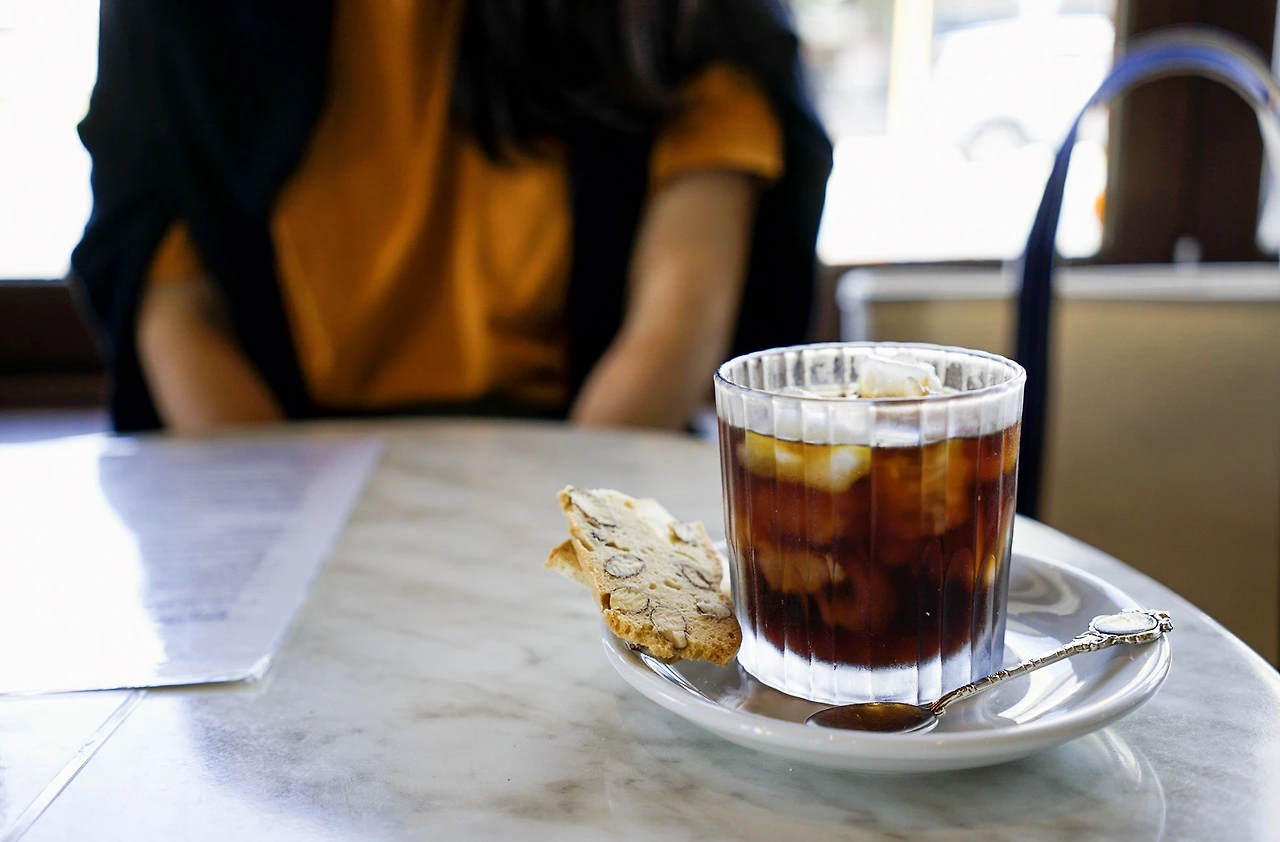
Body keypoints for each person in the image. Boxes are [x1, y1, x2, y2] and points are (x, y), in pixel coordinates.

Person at [72, 0, 832, 434]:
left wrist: (574, 535)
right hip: (273, 460)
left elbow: (672, 329)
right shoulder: (178, 21)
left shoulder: (679, 18)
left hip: (575, 452)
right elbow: (172, 300)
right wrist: (269, 525)